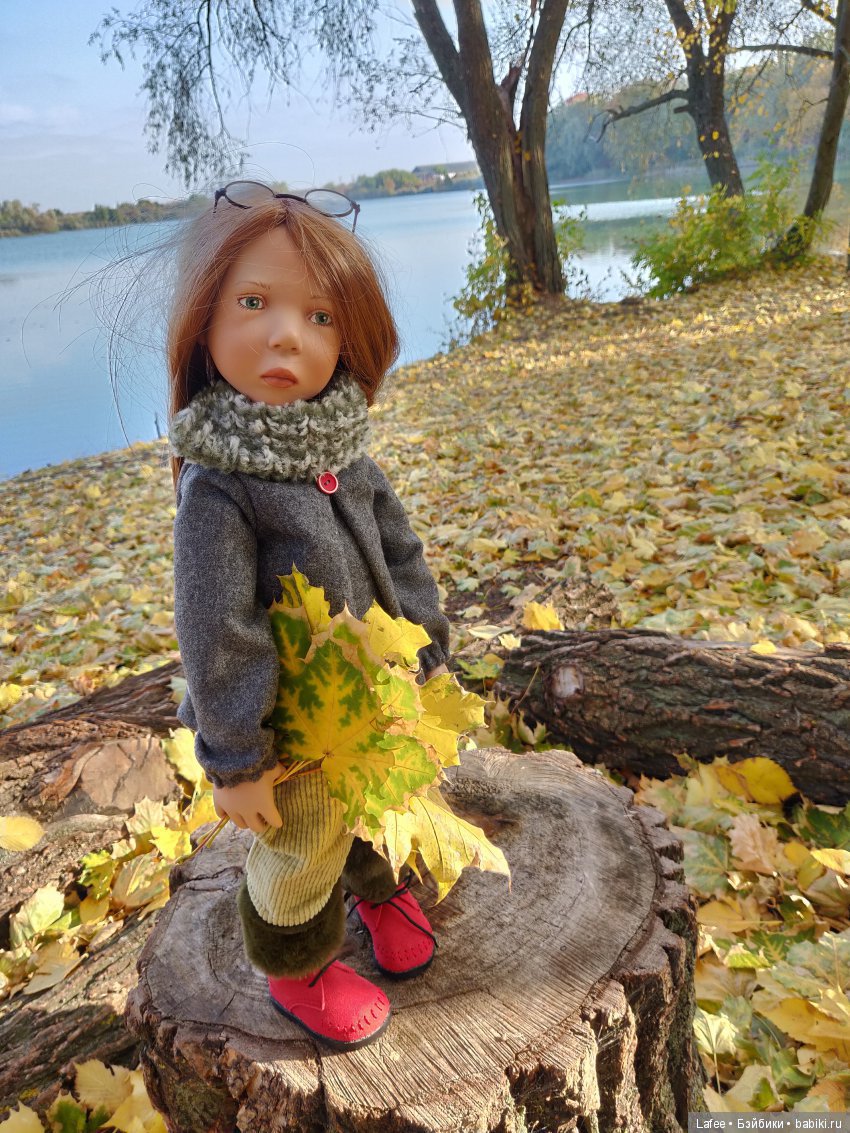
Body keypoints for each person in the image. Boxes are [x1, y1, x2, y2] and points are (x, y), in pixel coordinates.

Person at [167, 180, 451, 1050]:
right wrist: (238, 756)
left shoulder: (344, 452)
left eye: (320, 316)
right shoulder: (221, 487)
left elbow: (401, 553)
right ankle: (294, 960)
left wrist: (428, 645)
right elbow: (216, 629)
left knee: (382, 803)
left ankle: (379, 892)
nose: (287, 333)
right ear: (204, 323)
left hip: (374, 700)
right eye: (254, 303)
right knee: (306, 839)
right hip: (289, 728)